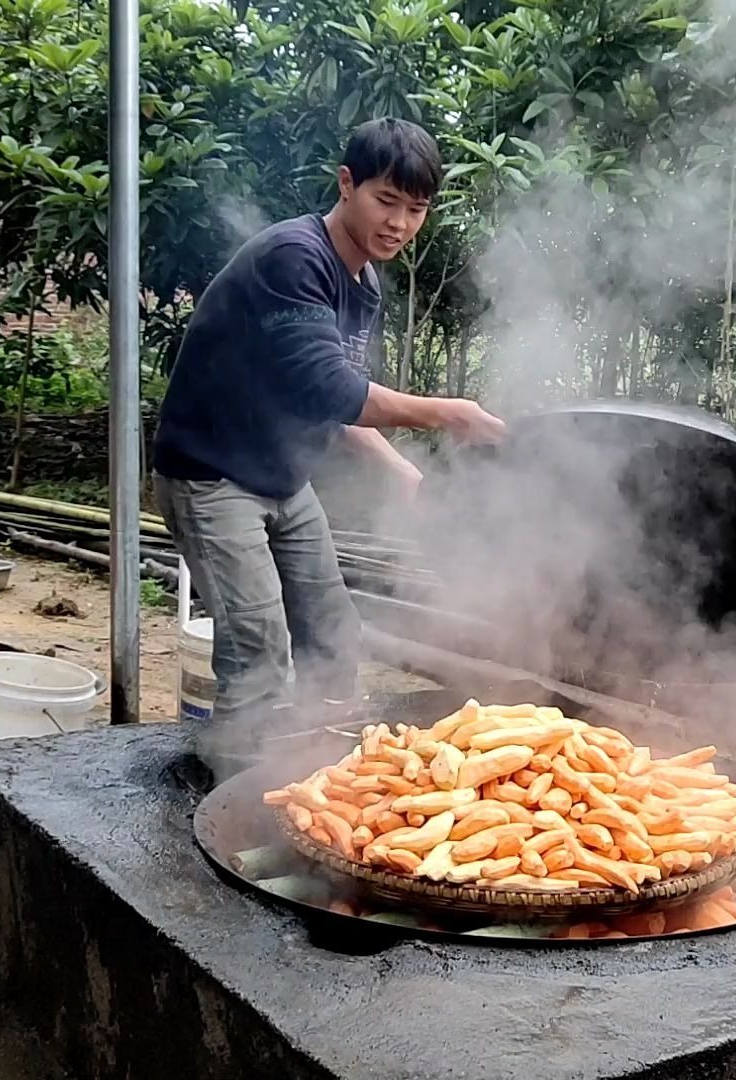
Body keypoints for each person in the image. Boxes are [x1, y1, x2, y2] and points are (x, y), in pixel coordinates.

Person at [152, 117, 504, 725]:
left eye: (415, 209)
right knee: (259, 646)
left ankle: (327, 766)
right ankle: (235, 791)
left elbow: (334, 405)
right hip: (212, 477)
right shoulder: (296, 259)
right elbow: (333, 388)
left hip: (283, 479)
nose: (398, 223)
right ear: (347, 184)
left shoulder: (362, 280)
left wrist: (407, 477)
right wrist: (447, 414)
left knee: (333, 633)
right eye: (385, 200)